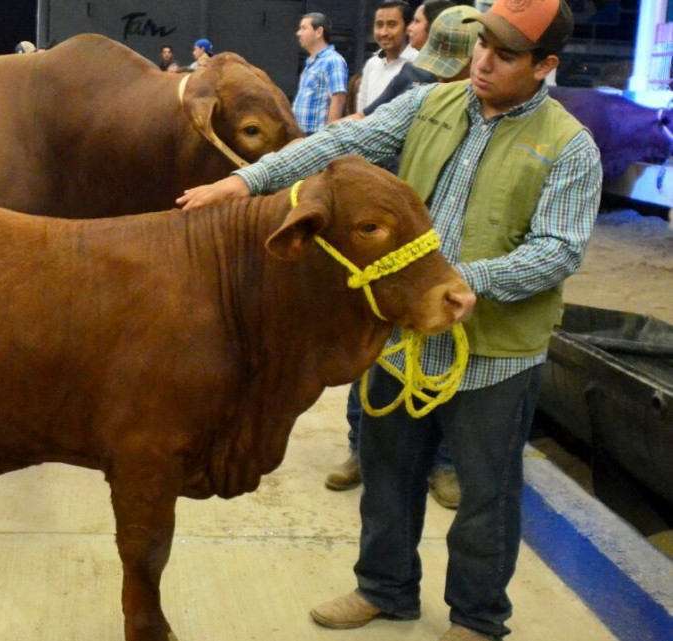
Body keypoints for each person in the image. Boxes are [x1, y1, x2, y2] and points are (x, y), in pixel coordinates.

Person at [178, 1, 601, 638]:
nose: (483, 62)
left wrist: (466, 282)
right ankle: (385, 588)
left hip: (493, 353)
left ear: (545, 66)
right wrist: (248, 183)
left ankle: (479, 619)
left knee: (487, 496)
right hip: (402, 337)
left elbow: (559, 248)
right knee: (387, 470)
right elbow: (342, 142)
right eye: (483, 46)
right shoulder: (431, 105)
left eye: (506, 56)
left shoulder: (569, 148)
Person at [328, 5, 483, 510]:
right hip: (400, 246)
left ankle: (444, 464)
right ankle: (361, 449)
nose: (444, 77)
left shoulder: (509, 123)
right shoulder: (416, 87)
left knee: (452, 357)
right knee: (376, 350)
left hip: (450, 254)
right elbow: (362, 133)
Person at [355, 0, 418, 114]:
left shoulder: (418, 63)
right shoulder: (372, 64)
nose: (383, 32)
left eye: (392, 25)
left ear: (407, 28)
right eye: (379, 25)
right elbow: (361, 112)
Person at [293, 13, 348, 134]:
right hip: (302, 136)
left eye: (303, 28)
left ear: (319, 32)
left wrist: (329, 136)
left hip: (316, 136)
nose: (298, 33)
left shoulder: (333, 61)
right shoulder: (311, 63)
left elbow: (338, 98)